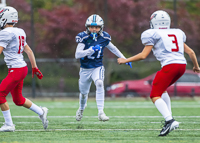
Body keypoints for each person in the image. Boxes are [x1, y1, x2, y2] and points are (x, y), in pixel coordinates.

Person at [117, 10, 200, 136]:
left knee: (155, 95)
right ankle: (170, 119)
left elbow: (143, 55)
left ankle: (169, 120)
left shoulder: (153, 33)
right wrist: (196, 66)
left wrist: (125, 60)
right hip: (182, 66)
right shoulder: (176, 33)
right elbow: (191, 52)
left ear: (153, 22)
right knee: (162, 90)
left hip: (170, 66)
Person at [75, 14, 132, 122]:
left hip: (97, 67)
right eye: (91, 27)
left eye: (96, 27)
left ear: (101, 27)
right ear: (87, 27)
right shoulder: (83, 37)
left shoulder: (104, 37)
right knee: (83, 93)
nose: (94, 29)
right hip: (85, 69)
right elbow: (77, 54)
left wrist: (124, 58)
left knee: (100, 83)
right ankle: (81, 109)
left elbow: (113, 49)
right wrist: (91, 50)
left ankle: (101, 112)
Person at [0, 6, 49, 132]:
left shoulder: (5, 33)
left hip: (16, 70)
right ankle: (41, 111)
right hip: (22, 68)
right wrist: (34, 67)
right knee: (18, 99)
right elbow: (29, 50)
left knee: (0, 95)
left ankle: (9, 124)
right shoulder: (20, 31)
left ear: (5, 18)